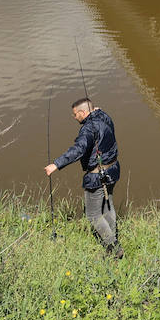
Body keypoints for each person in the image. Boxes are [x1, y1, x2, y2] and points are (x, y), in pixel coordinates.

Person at [45, 97, 122, 257]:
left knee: (93, 214)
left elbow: (78, 149)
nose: (74, 118)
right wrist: (96, 110)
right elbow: (98, 112)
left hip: (97, 176)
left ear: (83, 112)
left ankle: (114, 248)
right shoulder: (104, 116)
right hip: (113, 169)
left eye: (75, 114)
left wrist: (56, 164)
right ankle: (113, 238)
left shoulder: (88, 130)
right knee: (108, 206)